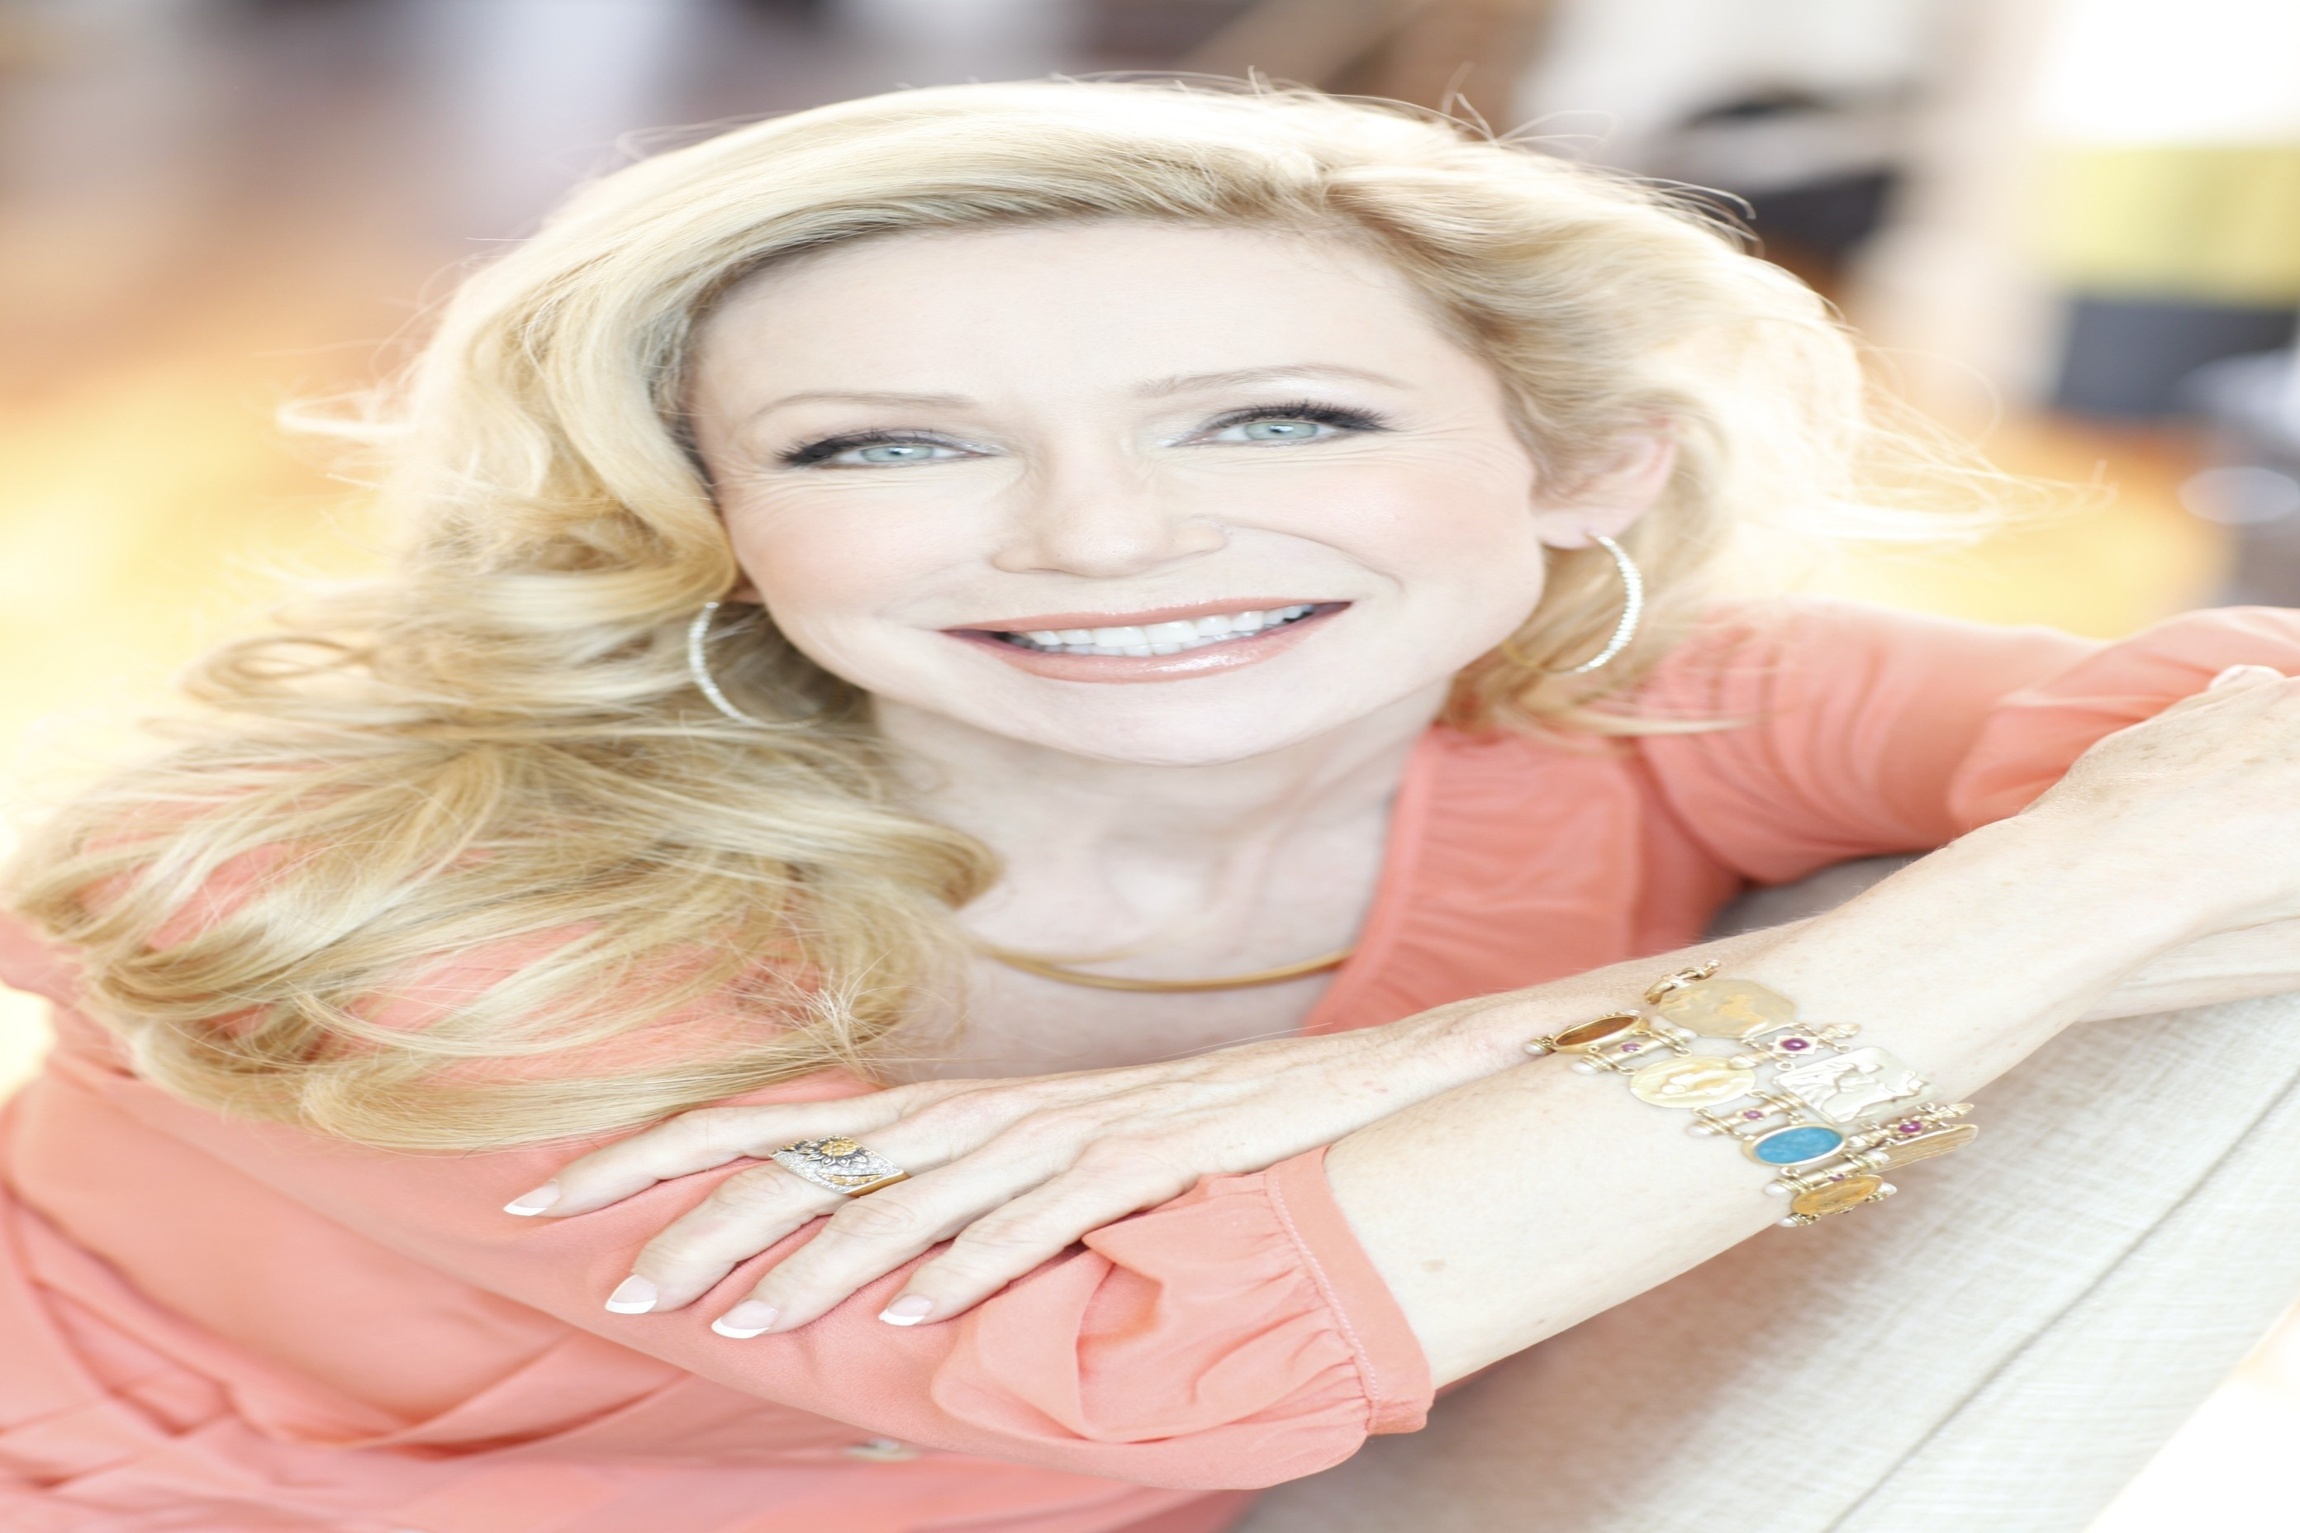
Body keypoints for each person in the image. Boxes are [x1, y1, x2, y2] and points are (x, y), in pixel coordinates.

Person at [3, 79, 2297, 1533]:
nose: (1105, 539)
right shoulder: (345, 888)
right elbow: (1146, 1365)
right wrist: (2071, 891)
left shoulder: (1647, 707)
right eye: (886, 445)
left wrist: (1426, 1050)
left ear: (1583, 462)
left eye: (1279, 417)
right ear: (701, 517)